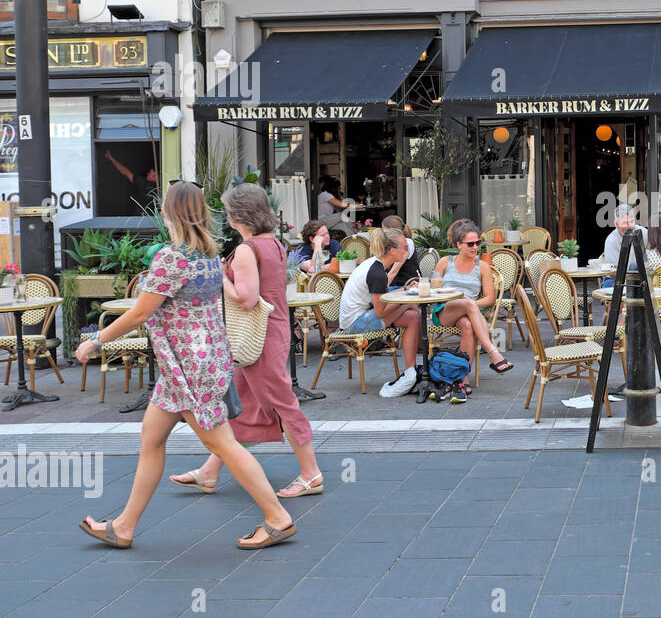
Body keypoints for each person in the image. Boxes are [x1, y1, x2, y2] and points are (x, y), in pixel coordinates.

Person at [75, 182, 296, 550]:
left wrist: (97, 340)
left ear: (169, 214)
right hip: (197, 363)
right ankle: (124, 526)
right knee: (152, 439)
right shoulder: (207, 255)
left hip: (188, 369)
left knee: (223, 444)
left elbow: (142, 312)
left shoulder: (172, 258)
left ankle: (277, 518)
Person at [169, 184, 324, 499]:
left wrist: (221, 277)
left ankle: (311, 473)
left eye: (228, 211)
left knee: (283, 403)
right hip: (272, 332)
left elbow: (246, 299)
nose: (225, 216)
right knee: (245, 403)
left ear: (238, 215)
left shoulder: (246, 250)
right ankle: (209, 472)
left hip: (257, 339)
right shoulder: (274, 244)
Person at [431, 219, 513, 401]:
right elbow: (433, 289)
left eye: (477, 243)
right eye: (470, 244)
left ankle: (462, 379)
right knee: (468, 302)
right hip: (445, 310)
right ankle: (493, 352)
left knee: (468, 326)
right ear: (459, 244)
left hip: (469, 314)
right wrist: (466, 302)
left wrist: (469, 304)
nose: (475, 247)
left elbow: (489, 299)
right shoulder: (445, 262)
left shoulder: (482, 266)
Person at [337, 227, 422, 397]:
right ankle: (410, 371)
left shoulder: (375, 265)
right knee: (411, 310)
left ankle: (410, 370)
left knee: (413, 316)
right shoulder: (377, 273)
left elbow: (381, 304)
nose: (407, 251)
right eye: (404, 247)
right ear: (391, 250)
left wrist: (404, 293)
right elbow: (381, 312)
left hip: (359, 316)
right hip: (355, 324)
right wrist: (406, 296)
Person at [602, 204, 647, 286]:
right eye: (625, 223)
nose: (629, 226)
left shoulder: (643, 233)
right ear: (616, 224)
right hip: (615, 279)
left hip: (639, 277)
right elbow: (613, 273)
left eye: (631, 221)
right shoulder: (611, 241)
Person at [382, 215, 420, 286]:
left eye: (384, 231)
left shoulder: (406, 244)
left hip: (405, 285)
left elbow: (394, 271)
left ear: (392, 231)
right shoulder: (391, 243)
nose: (383, 234)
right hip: (393, 283)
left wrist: (381, 290)